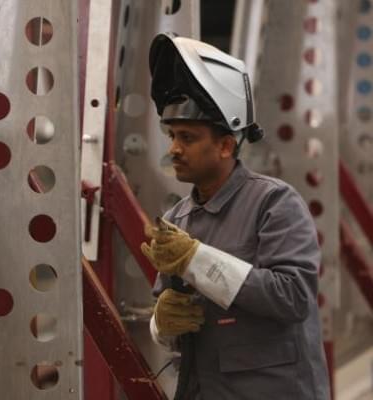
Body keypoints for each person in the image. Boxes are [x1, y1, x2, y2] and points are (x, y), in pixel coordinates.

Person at [141, 33, 330, 400]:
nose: (175, 149)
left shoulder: (274, 203)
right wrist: (160, 325)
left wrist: (197, 259)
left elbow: (293, 296)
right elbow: (171, 315)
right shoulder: (176, 220)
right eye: (172, 136)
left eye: (188, 138)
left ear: (226, 145)